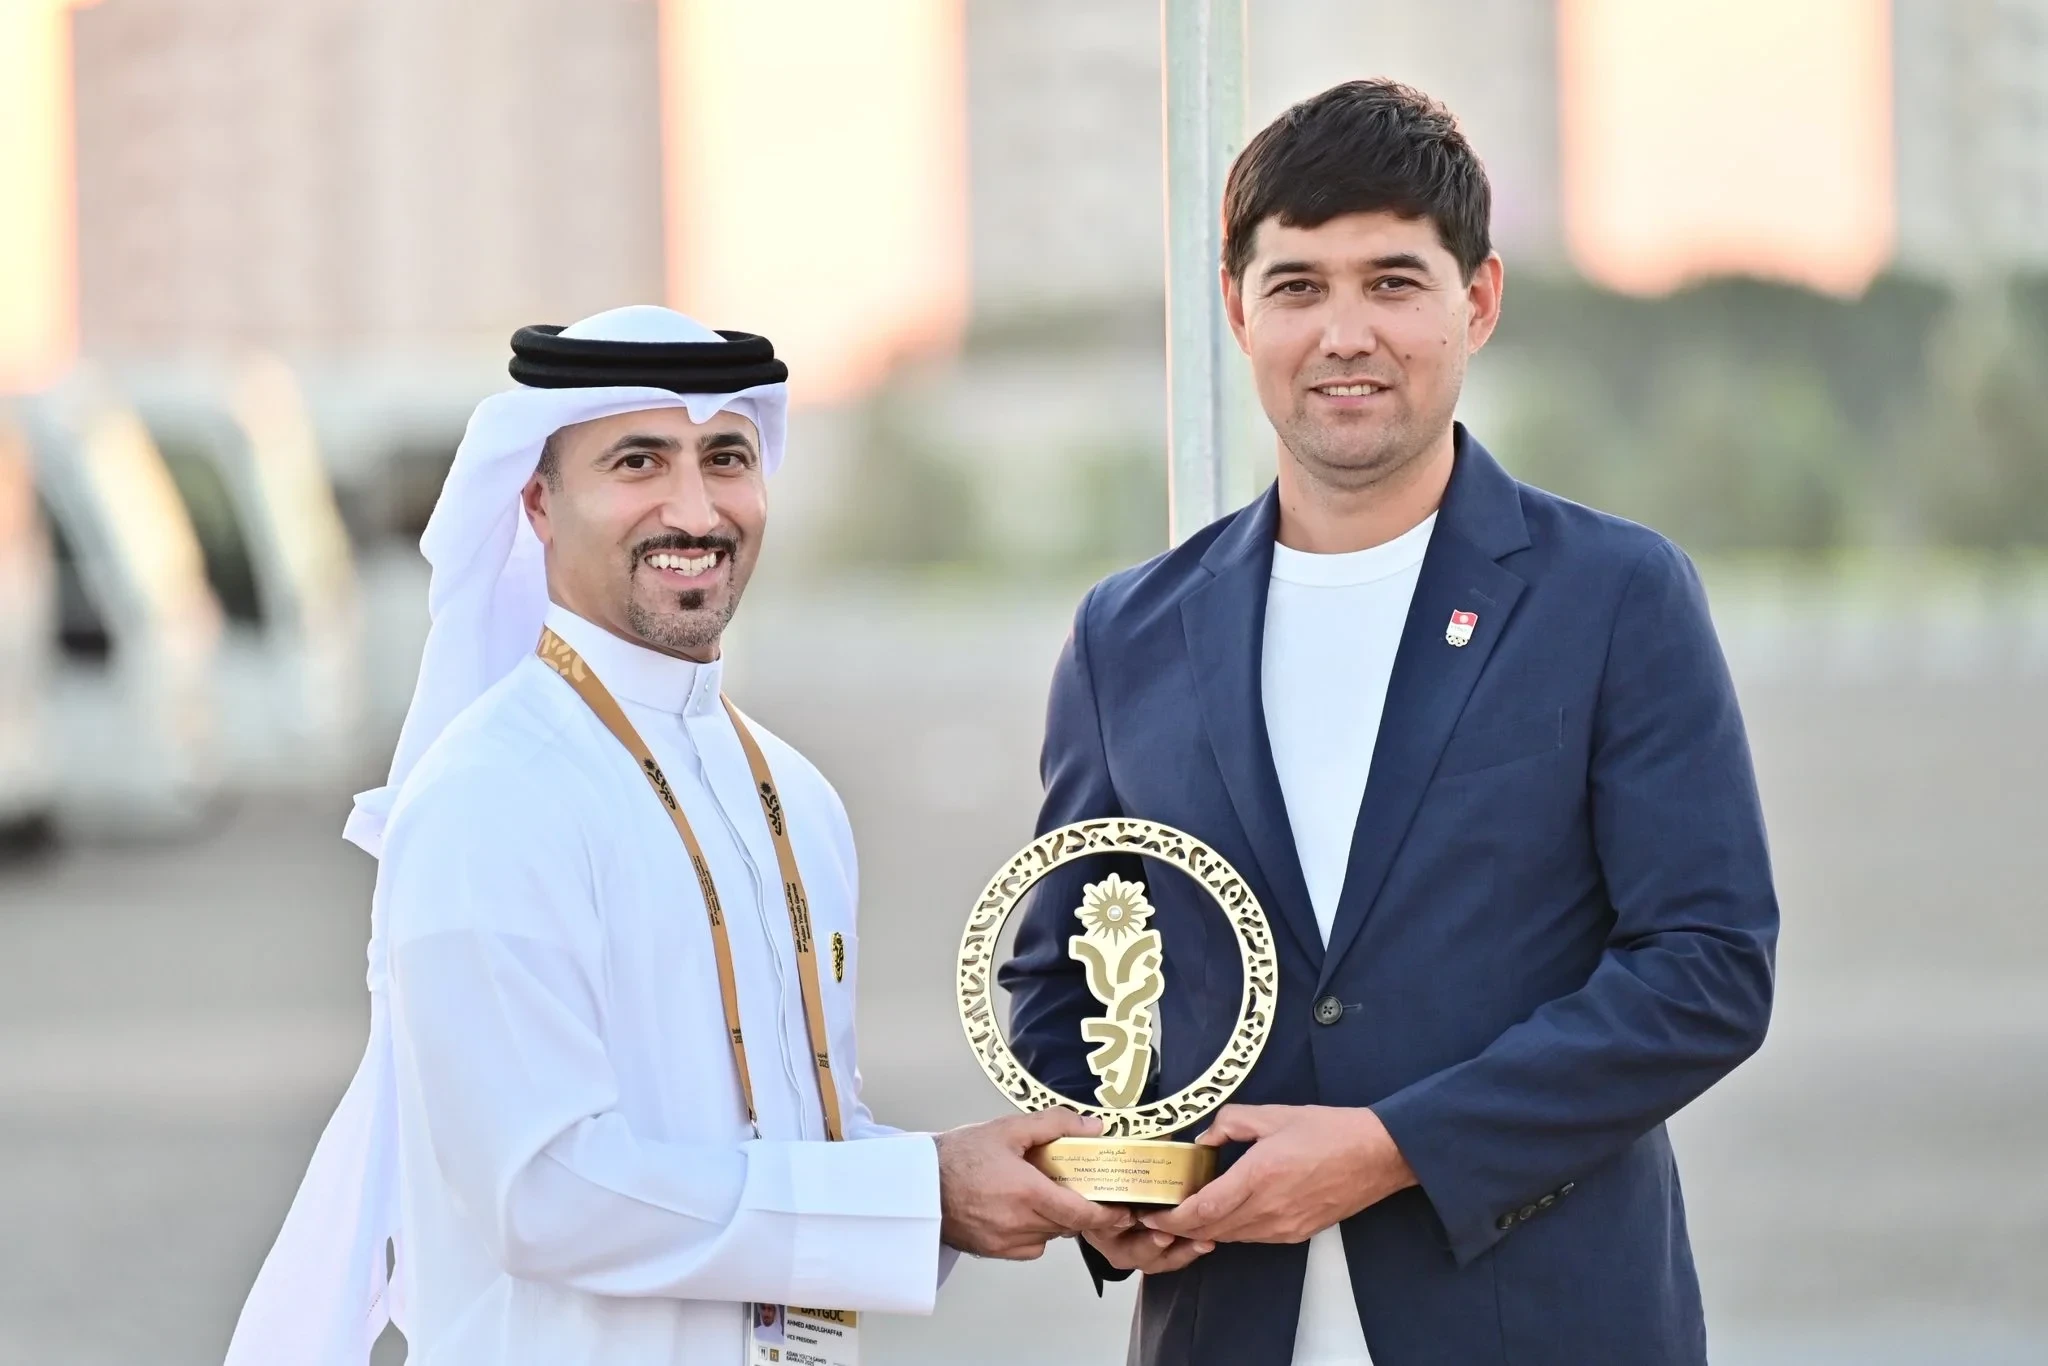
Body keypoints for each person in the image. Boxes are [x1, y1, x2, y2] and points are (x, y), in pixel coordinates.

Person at [1001, 80, 1778, 1366]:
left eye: (1391, 282)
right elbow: (1057, 974)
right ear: (1236, 307)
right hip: (1223, 1322)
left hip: (1540, 1325)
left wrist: (1389, 1148)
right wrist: (1114, 1186)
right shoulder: (1124, 633)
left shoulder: (1612, 596)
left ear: (1477, 299)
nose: (1343, 332)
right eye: (1297, 286)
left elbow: (1704, 969)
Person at [224, 305, 1122, 1366]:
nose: (693, 510)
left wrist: (1015, 1176)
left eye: (725, 458)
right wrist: (924, 1192)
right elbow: (543, 1192)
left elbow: (786, 1146)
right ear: (537, 501)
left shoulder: (795, 796)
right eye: (638, 461)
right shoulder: (488, 797)